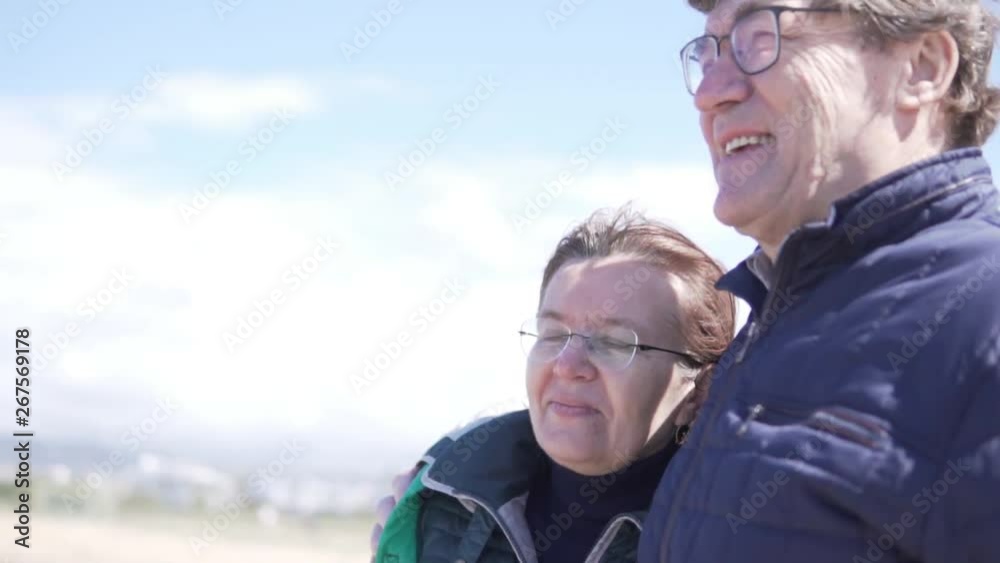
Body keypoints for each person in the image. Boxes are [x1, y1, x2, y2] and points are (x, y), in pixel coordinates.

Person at [639, 1, 1000, 562]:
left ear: (922, 66)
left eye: (760, 34)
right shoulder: (771, 324)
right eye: (709, 50)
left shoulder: (983, 319)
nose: (710, 91)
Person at [373, 207, 736, 563]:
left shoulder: (744, 534)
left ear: (700, 389)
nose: (566, 365)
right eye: (553, 334)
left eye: (616, 343)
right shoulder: (442, 496)